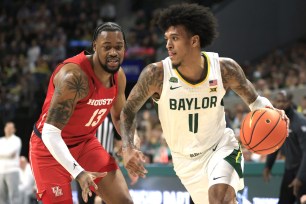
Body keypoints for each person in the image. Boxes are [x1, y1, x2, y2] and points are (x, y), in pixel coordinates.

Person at [120, 3, 289, 204]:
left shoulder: (225, 69)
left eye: (175, 38)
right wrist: (128, 147)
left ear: (194, 41)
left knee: (219, 199)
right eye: (166, 39)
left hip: (221, 147)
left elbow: (256, 101)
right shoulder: (156, 74)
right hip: (185, 161)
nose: (168, 45)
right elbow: (128, 110)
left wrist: (272, 112)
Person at [29, 22, 134, 204]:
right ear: (95, 47)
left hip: (85, 143)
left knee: (123, 201)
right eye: (106, 47)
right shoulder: (74, 77)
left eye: (119, 47)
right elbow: (50, 133)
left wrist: (130, 145)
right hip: (49, 149)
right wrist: (78, 172)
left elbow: (119, 117)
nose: (113, 52)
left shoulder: (119, 76)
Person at [76, 114, 139, 204]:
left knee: (115, 200)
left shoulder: (110, 115)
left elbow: (119, 141)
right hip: (84, 165)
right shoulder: (82, 113)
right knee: (85, 200)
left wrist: (129, 160)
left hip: (106, 164)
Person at [263, 90, 306, 204]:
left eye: (284, 101)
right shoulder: (277, 121)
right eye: (278, 101)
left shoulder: (300, 122)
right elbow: (275, 144)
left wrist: (300, 178)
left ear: (290, 102)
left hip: (302, 170)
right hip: (289, 170)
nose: (281, 104)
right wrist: (268, 166)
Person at [0, 121, 22, 204]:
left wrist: (3, 154)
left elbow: (11, 153)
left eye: (10, 128)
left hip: (12, 170)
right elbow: (9, 154)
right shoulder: (1, 140)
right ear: (4, 129)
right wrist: (7, 154)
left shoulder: (16, 140)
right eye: (7, 127)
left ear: (14, 130)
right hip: (1, 171)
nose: (8, 129)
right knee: (1, 197)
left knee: (14, 196)